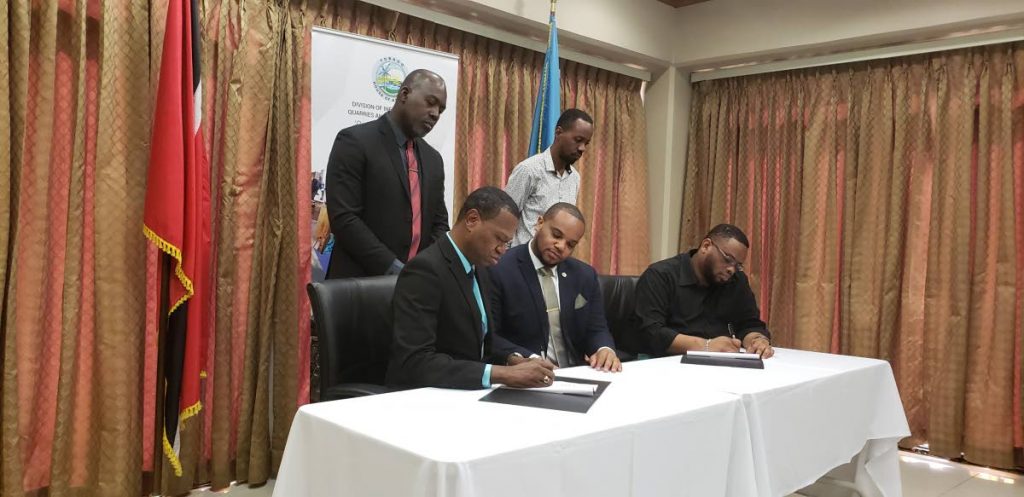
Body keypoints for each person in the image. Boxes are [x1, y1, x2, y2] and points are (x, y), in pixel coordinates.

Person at [387, 187, 557, 390]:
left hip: (466, 391)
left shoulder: (480, 267)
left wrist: (513, 360)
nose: (502, 250)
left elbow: (481, 343)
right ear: (472, 220)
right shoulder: (425, 271)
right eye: (499, 239)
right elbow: (415, 362)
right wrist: (501, 374)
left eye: (507, 243)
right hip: (424, 396)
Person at [325, 69, 450, 278]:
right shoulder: (355, 141)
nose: (435, 113)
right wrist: (393, 268)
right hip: (358, 287)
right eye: (430, 102)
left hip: (413, 288)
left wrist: (422, 268)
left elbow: (439, 223)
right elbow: (345, 219)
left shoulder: (433, 159)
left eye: (441, 109)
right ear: (404, 94)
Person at [488, 203, 621, 372]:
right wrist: (528, 359)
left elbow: (596, 328)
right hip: (527, 374)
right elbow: (491, 336)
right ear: (540, 223)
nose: (560, 246)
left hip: (578, 373)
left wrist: (604, 349)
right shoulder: (500, 269)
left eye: (570, 244)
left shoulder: (585, 275)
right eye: (556, 235)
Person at [632, 223, 775, 358]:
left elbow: (749, 323)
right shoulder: (660, 275)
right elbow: (651, 332)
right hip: (666, 363)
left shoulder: (736, 281)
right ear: (706, 246)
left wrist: (757, 340)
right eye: (727, 259)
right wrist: (706, 346)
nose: (731, 269)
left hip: (720, 364)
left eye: (737, 265)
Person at [504, 109, 594, 246]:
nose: (582, 148)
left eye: (586, 143)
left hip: (553, 262)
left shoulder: (574, 178)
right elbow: (505, 218)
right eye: (578, 140)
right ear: (558, 132)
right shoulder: (529, 170)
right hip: (522, 260)